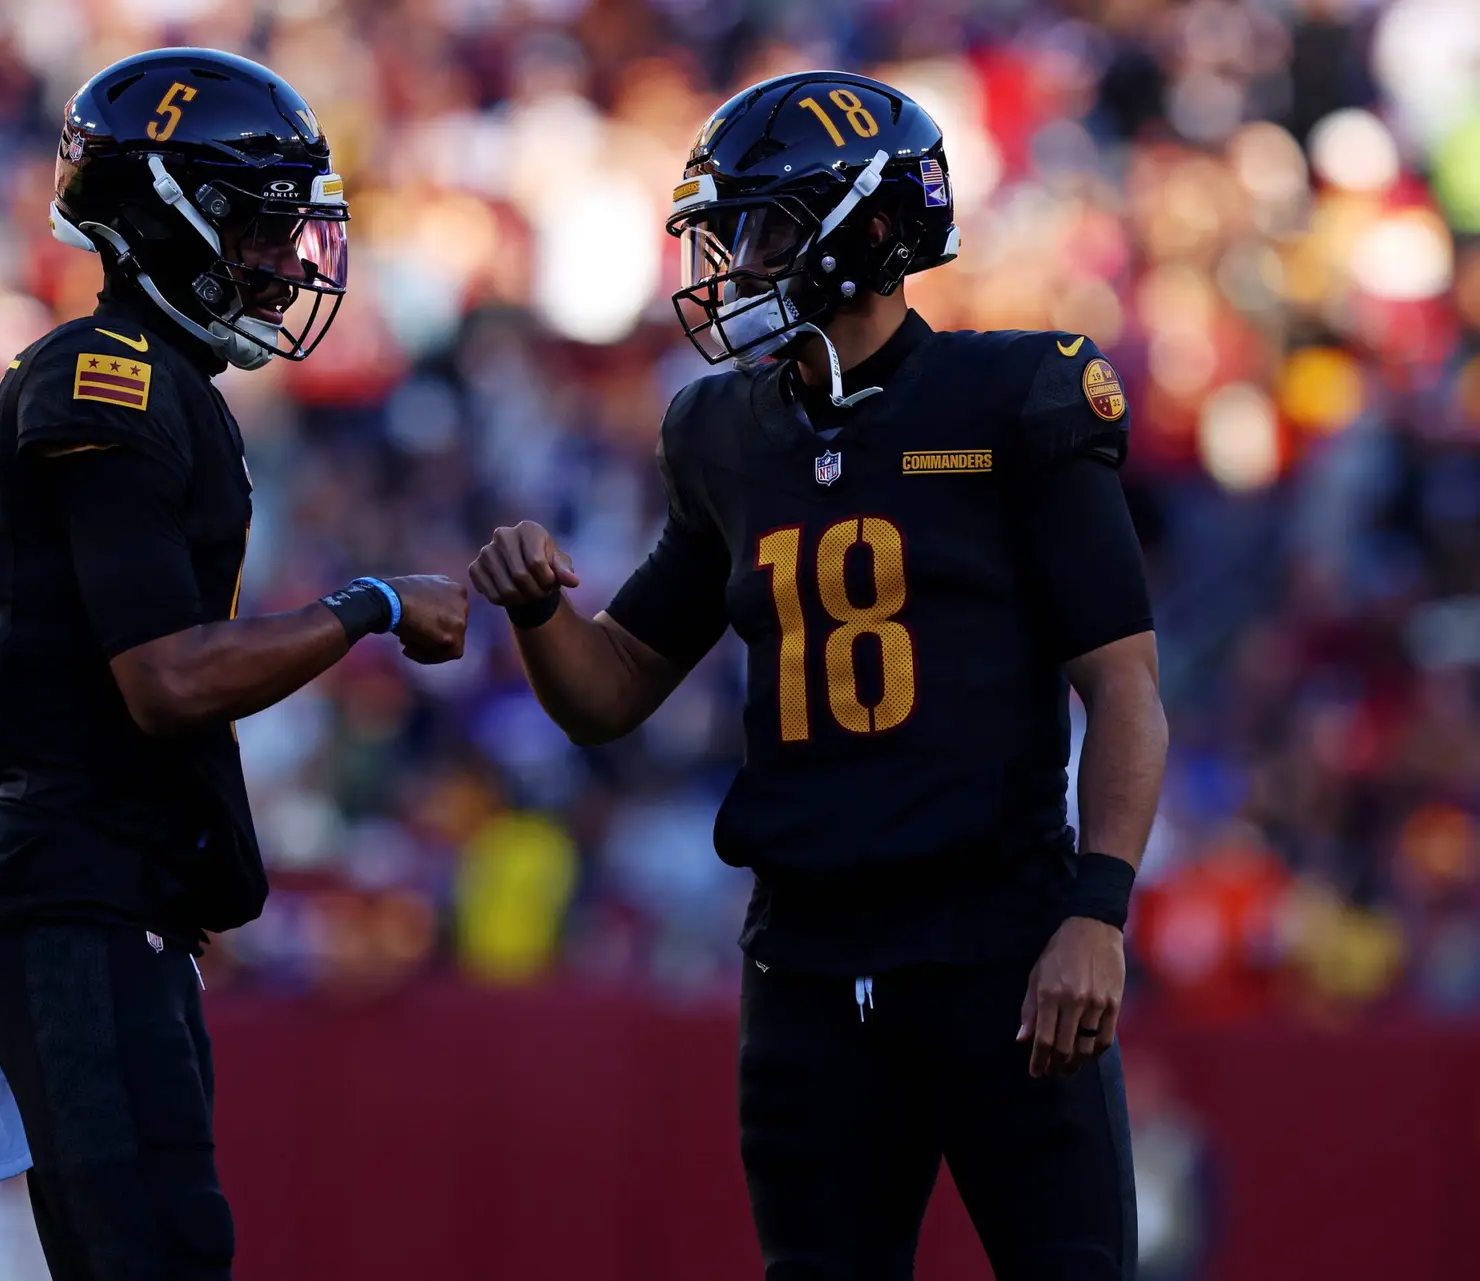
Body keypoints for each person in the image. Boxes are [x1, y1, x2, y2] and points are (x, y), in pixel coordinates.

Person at [471, 71, 1166, 1280]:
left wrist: (1095, 915)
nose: (737, 262)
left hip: (992, 942)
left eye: (769, 227)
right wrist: (539, 613)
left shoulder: (1016, 398)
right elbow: (615, 686)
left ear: (873, 232)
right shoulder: (724, 433)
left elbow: (1123, 689)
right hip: (804, 957)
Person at [0, 48, 467, 1281]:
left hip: (117, 894)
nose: (287, 262)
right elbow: (163, 680)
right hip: (74, 893)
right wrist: (370, 606)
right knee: (156, 1254)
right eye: (261, 228)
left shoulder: (169, 384)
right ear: (164, 218)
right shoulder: (98, 378)